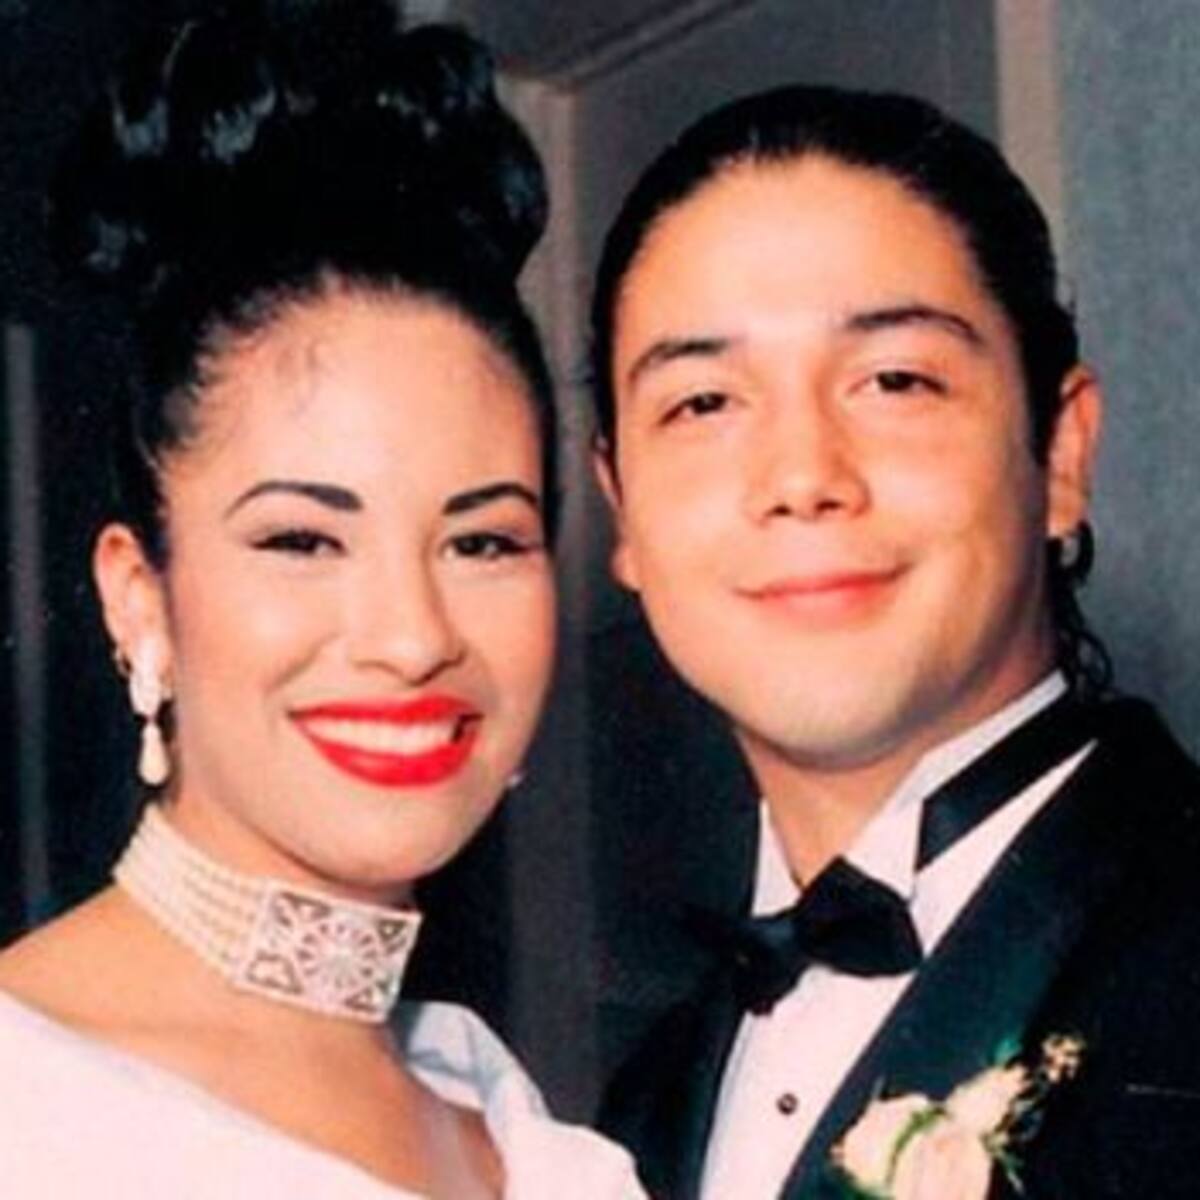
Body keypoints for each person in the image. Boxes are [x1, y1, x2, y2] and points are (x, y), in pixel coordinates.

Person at [0, 5, 644, 1197]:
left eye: (482, 541)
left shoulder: (529, 1139)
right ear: (140, 599)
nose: (412, 637)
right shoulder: (26, 1098)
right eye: (302, 539)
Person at [588, 84, 1200, 1198]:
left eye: (894, 381)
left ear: (1060, 454)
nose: (802, 476)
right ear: (620, 509)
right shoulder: (630, 1122)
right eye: (704, 403)